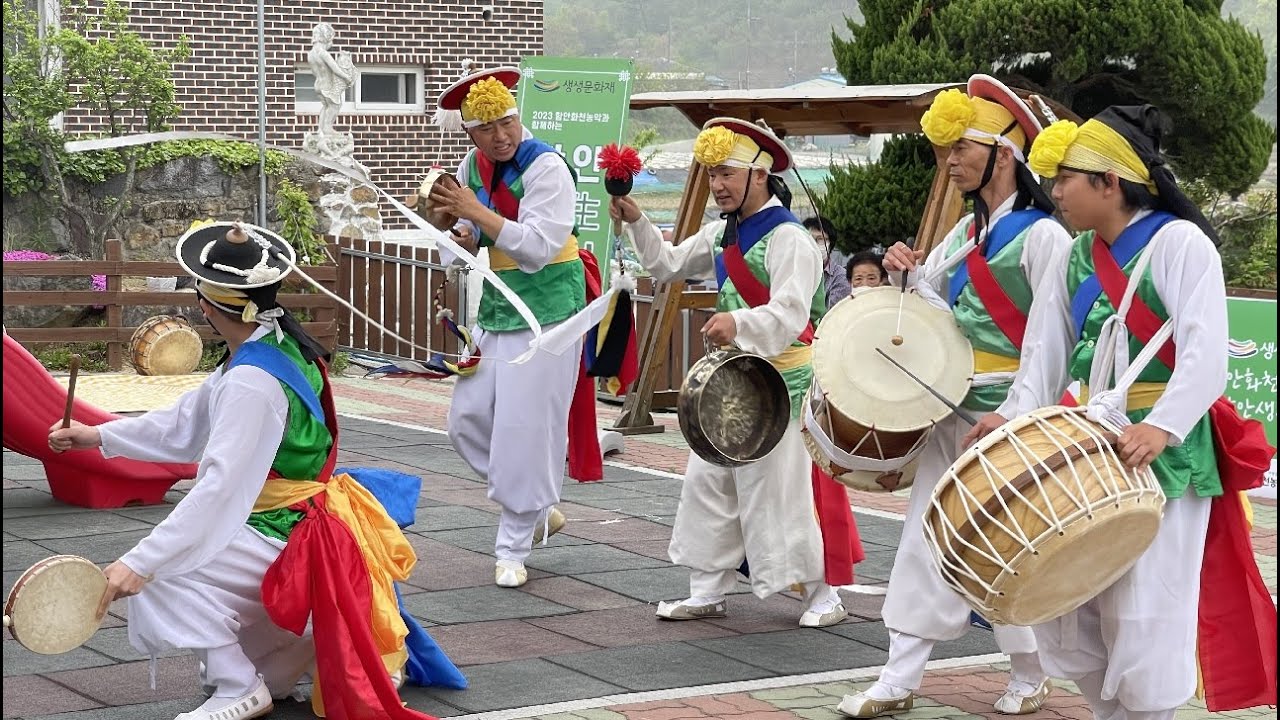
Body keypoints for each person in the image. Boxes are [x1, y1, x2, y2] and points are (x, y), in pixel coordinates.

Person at [47, 222, 453, 720]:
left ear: (206, 304)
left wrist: (139, 562)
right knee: (192, 582)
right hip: (306, 520)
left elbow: (219, 489)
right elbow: (188, 420)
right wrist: (98, 436)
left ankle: (240, 685)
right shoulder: (277, 345)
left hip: (284, 530)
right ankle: (296, 645)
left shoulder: (251, 381)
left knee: (162, 576)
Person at [964, 104, 1277, 719]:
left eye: (1067, 180)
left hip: (1161, 451)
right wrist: (1013, 416)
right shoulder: (1074, 255)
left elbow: (1206, 353)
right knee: (1071, 608)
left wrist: (1161, 425)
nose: (1054, 192)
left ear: (1110, 182)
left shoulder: (1180, 243)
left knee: (1146, 610)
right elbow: (1044, 354)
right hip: (1086, 446)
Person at [837, 75, 1070, 718]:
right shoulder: (966, 235)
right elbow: (941, 317)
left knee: (1007, 545)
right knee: (928, 535)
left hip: (1008, 416)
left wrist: (1018, 414)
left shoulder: (1046, 236)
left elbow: (1053, 341)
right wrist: (908, 275)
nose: (951, 161)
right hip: (952, 407)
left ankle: (1029, 669)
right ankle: (899, 676)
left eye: (963, 147)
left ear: (1006, 151)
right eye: (947, 150)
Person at [610, 117, 862, 628]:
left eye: (726, 174)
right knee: (709, 480)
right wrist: (637, 219)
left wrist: (738, 321)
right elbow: (668, 265)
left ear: (760, 176)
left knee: (782, 491)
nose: (717, 185)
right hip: (737, 380)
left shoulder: (791, 239)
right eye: (711, 175)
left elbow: (793, 315)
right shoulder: (722, 232)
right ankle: (707, 587)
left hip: (785, 383)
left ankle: (822, 594)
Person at [427, 66, 584, 588]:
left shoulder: (548, 167)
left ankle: (513, 545)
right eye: (487, 128)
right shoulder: (473, 164)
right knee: (466, 421)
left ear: (519, 117)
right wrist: (456, 225)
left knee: (523, 432)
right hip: (499, 308)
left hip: (549, 313)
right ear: (469, 133)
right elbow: (476, 235)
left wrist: (476, 213)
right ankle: (536, 507)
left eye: (507, 122)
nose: (500, 135)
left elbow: (538, 248)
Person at [307, 23, 353, 137]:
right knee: (335, 105)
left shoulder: (311, 54)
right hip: (327, 85)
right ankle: (327, 128)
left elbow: (314, 71)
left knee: (326, 106)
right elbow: (334, 68)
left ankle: (320, 129)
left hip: (318, 83)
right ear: (325, 38)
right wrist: (346, 77)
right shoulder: (323, 53)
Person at [802, 216, 851, 308]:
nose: (814, 244)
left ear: (830, 244)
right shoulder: (793, 271)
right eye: (810, 239)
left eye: (820, 239)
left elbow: (829, 315)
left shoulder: (840, 277)